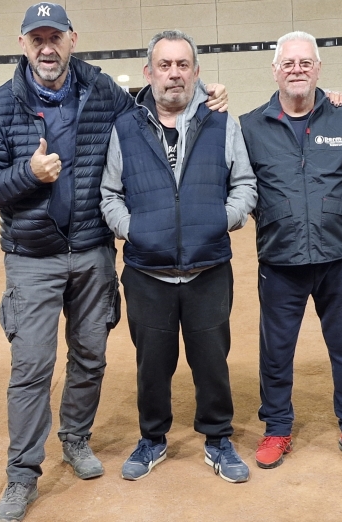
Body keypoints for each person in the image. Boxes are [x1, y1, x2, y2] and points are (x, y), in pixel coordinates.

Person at [0, 4, 227, 521]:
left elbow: (151, 108)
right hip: (32, 257)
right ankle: (22, 474)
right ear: (23, 44)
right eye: (36, 38)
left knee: (90, 356)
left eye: (55, 37)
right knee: (33, 366)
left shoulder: (102, 90)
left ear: (71, 40)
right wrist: (28, 174)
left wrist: (206, 95)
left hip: (92, 251)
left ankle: (76, 439)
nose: (47, 47)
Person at [100, 30, 257, 484]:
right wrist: (137, 231)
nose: (174, 73)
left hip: (208, 268)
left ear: (196, 72)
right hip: (148, 272)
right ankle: (152, 438)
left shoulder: (222, 122)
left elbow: (245, 184)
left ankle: (218, 438)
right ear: (149, 73)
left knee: (212, 360)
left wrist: (219, 219)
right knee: (152, 363)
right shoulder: (125, 127)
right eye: (164, 65)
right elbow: (110, 194)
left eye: (182, 64)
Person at [239, 31, 342, 472]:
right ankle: (277, 427)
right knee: (276, 350)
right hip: (280, 262)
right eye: (289, 63)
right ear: (275, 70)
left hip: (340, 257)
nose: (297, 69)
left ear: (318, 67)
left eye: (305, 62)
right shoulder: (249, 126)